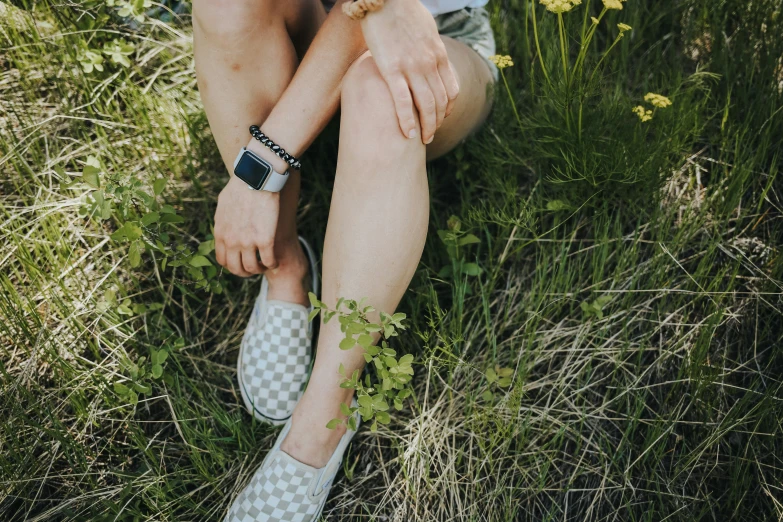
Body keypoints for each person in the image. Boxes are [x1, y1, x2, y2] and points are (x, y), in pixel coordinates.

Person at [192, 0, 496, 519]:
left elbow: (382, 23)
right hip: (310, 20)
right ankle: (285, 264)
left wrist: (257, 170)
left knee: (382, 87)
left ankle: (324, 417)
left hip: (438, 40)